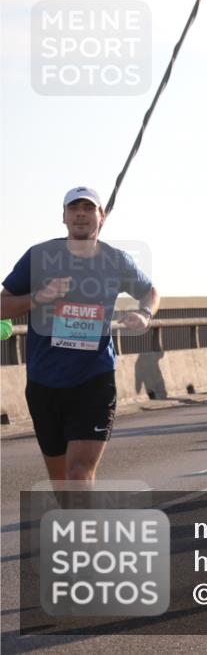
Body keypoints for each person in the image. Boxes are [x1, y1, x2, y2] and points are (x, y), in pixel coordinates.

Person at [0, 186, 159, 482]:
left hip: (94, 379)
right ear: (64, 217)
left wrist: (145, 314)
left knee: (78, 474)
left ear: (102, 217)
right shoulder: (39, 256)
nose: (81, 214)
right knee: (61, 482)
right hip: (43, 381)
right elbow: (2, 305)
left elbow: (150, 292)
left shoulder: (117, 260)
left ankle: (81, 529)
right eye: (74, 208)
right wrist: (39, 297)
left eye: (88, 208)